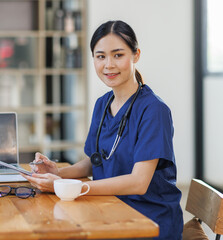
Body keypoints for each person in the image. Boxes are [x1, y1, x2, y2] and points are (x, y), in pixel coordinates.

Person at [23, 20, 183, 240]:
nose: (109, 64)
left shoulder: (154, 110)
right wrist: (57, 173)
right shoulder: (103, 104)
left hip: (148, 220)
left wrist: (70, 187)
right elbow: (97, 160)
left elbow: (139, 182)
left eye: (118, 55)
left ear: (136, 55)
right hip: (109, 207)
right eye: (101, 56)